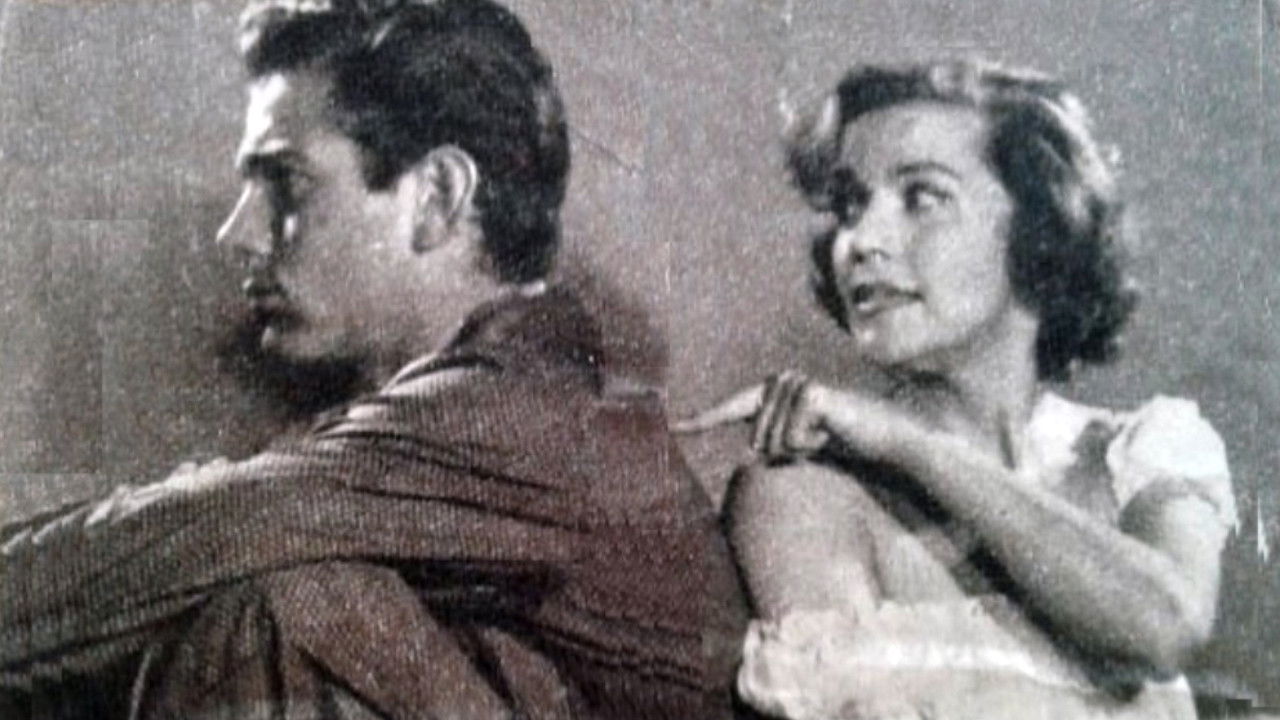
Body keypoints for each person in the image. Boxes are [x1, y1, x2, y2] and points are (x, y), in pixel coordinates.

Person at [0, 1, 746, 718]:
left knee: (271, 607)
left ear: (437, 196)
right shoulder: (511, 398)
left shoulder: (524, 408)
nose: (239, 233)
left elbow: (188, 539)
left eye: (285, 182)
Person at [680, 60, 1236, 719]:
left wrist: (910, 444)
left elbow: (1165, 629)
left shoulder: (1147, 448)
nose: (860, 242)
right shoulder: (802, 494)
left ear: (1039, 228)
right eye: (852, 205)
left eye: (922, 197)